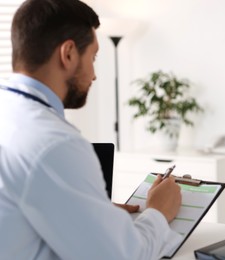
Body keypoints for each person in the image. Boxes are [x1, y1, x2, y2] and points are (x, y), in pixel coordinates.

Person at [0, 0, 182, 259]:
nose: (94, 75)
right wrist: (159, 212)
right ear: (69, 54)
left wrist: (92, 210)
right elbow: (123, 255)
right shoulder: (56, 143)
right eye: (93, 57)